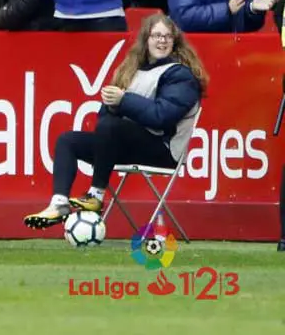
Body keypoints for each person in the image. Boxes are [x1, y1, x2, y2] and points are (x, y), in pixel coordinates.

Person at [24, 14, 206, 228]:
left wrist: (123, 100)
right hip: (128, 143)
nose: (162, 41)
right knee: (68, 141)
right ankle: (59, 204)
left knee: (111, 126)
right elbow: (105, 119)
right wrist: (111, 105)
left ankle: (96, 195)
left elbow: (161, 117)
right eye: (156, 35)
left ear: (175, 42)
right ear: (146, 40)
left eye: (167, 36)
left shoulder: (181, 76)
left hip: (163, 149)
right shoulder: (133, 70)